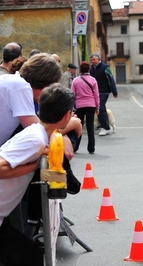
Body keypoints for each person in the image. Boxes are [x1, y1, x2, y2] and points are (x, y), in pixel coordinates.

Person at [0, 84, 75, 266]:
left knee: (29, 255)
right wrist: (34, 165)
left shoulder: (40, 135)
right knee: (29, 257)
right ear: (66, 115)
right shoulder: (34, 139)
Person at [71, 61, 100, 154]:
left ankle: (75, 147)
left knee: (78, 126)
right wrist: (97, 106)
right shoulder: (93, 80)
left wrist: (72, 107)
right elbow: (96, 94)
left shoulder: (75, 80)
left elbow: (72, 94)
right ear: (89, 69)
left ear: (80, 69)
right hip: (91, 105)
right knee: (90, 126)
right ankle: (91, 147)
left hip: (79, 106)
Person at [89, 53, 118, 136]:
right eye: (91, 60)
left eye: (94, 59)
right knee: (99, 109)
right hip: (95, 92)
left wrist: (114, 91)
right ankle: (104, 125)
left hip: (104, 91)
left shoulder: (105, 67)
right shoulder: (92, 69)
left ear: (98, 59)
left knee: (100, 107)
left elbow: (111, 79)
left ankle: (106, 128)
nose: (92, 61)